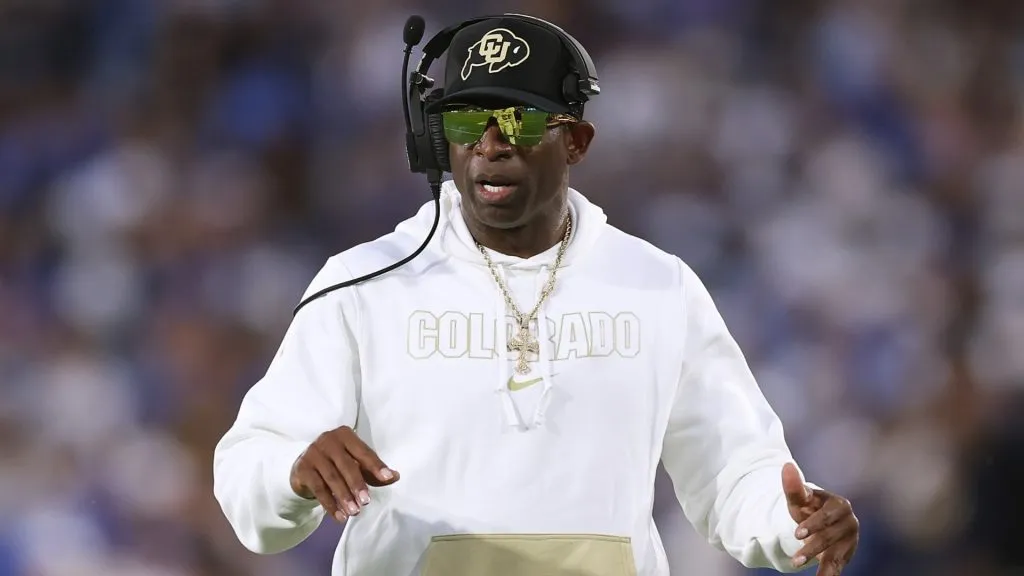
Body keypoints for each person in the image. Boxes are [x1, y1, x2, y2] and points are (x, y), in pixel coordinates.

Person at [212, 13, 859, 576]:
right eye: (466, 120)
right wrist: (293, 470)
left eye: (517, 122)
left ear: (575, 141)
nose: (489, 146)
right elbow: (250, 483)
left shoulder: (658, 286)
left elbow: (733, 473)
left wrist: (791, 521)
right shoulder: (364, 285)